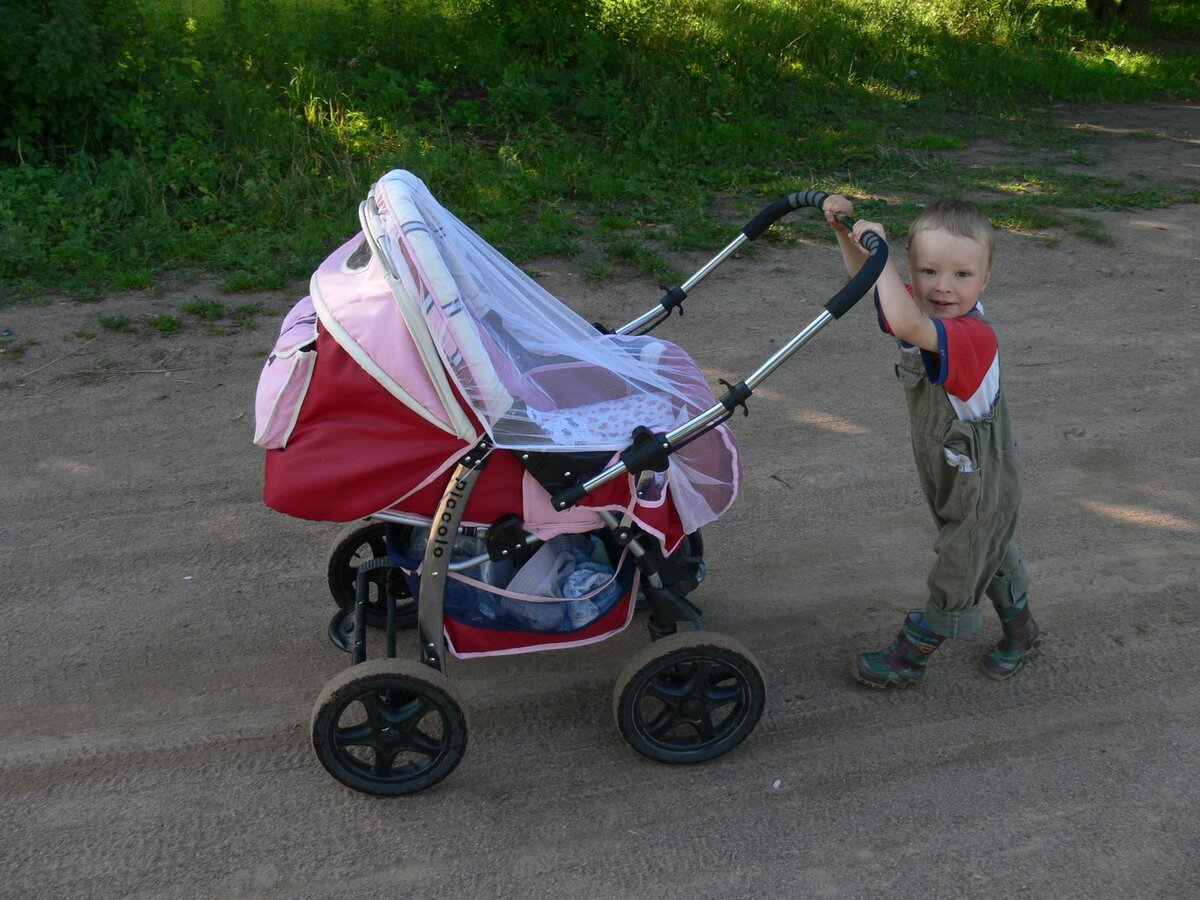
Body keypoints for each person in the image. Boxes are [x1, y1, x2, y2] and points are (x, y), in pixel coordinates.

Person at [822, 195, 1040, 687]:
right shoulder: (919, 308)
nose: (943, 287)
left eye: (962, 275)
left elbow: (903, 321)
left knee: (961, 559)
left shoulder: (970, 335)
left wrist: (886, 260)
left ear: (985, 280)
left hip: (982, 474)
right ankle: (1022, 630)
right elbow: (872, 288)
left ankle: (910, 655)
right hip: (948, 463)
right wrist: (846, 234)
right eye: (928, 271)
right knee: (990, 547)